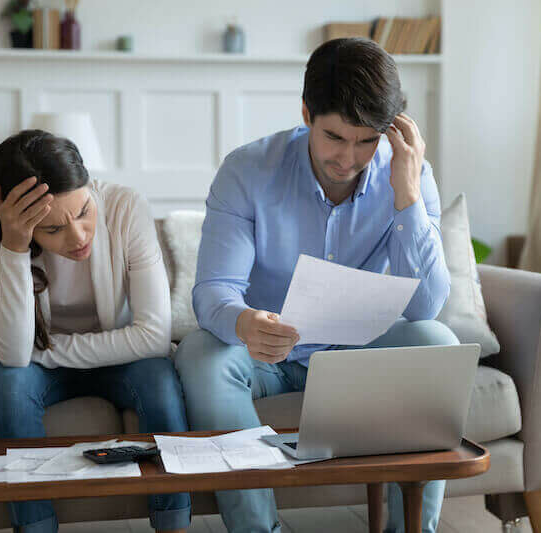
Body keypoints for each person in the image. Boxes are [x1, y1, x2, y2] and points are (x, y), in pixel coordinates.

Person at [174, 38, 458, 533]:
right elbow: (214, 289)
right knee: (201, 355)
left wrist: (407, 196)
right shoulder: (248, 170)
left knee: (438, 343)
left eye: (368, 140)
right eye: (334, 137)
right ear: (306, 113)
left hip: (359, 350)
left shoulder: (409, 174)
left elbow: (426, 307)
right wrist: (243, 320)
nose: (349, 158)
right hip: (267, 353)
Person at [0, 130, 191, 533]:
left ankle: (174, 524)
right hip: (53, 363)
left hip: (120, 358)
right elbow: (16, 358)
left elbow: (153, 337)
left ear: (90, 187)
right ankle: (35, 526)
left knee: (158, 378)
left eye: (83, 212)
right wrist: (15, 246)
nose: (78, 237)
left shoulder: (126, 207)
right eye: (53, 229)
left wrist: (42, 350)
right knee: (12, 383)